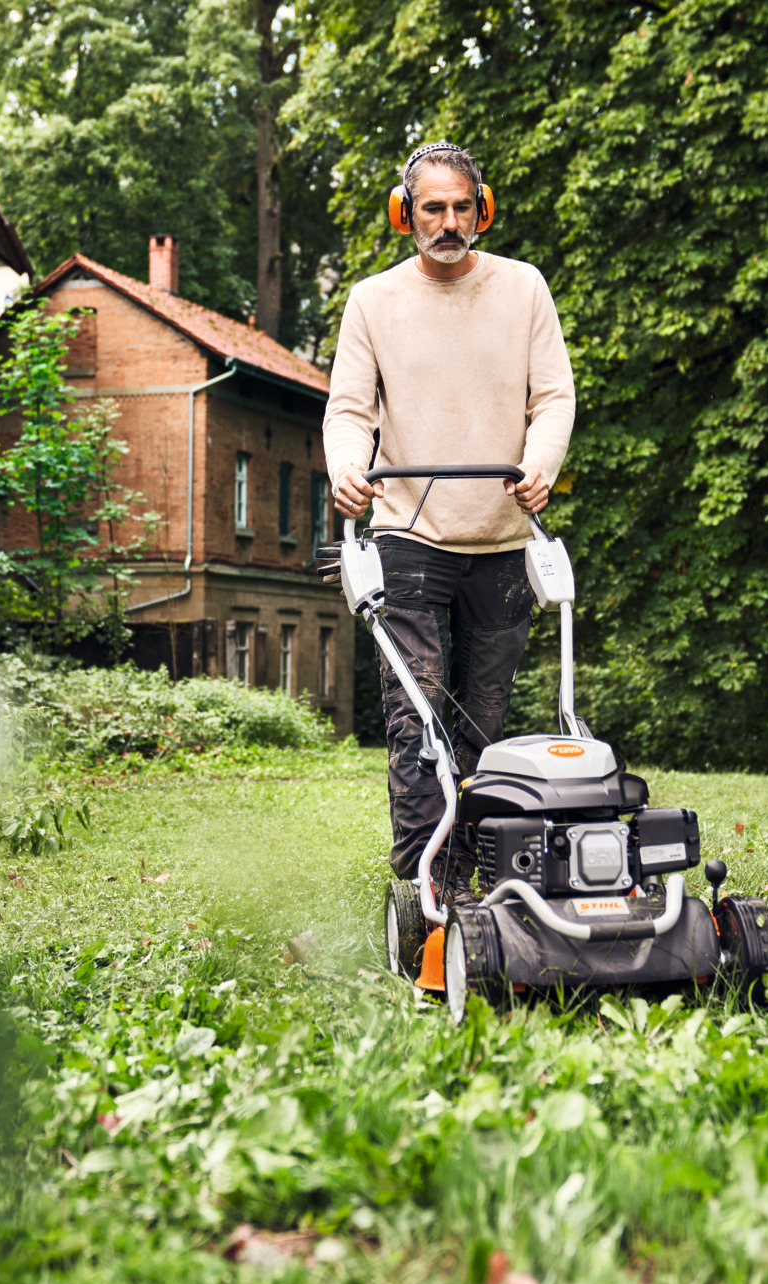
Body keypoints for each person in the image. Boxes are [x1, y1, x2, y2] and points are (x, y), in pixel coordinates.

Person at [322, 140, 576, 890]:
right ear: (406, 215)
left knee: (482, 728)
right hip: (408, 539)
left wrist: (541, 465)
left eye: (462, 207)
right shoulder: (373, 300)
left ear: (483, 209)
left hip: (501, 541)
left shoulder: (524, 288)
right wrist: (346, 469)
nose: (449, 221)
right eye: (433, 208)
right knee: (416, 721)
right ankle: (423, 888)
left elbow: (553, 396)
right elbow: (348, 410)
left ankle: (480, 877)